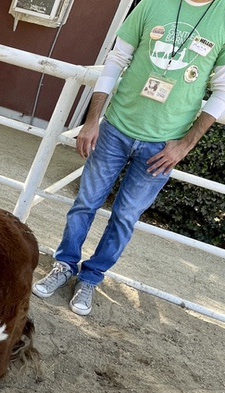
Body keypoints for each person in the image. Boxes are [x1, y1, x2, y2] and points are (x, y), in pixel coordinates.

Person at [33, 0, 225, 316]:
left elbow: (221, 91)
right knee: (86, 202)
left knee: (125, 217)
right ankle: (65, 265)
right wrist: (92, 120)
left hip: (162, 145)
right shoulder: (152, 3)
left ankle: (91, 278)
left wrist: (184, 146)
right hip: (116, 129)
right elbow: (117, 59)